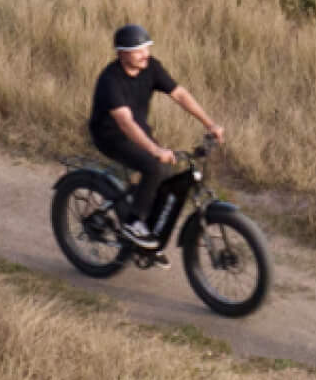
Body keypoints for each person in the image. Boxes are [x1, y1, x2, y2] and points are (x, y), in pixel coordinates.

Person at [87, 24, 225, 248]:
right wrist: (155, 150)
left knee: (166, 173)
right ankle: (133, 224)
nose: (145, 54)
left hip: (139, 131)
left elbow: (179, 94)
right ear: (122, 53)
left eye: (147, 48)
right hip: (110, 136)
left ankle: (149, 230)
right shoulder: (110, 81)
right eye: (138, 50)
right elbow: (125, 123)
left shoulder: (151, 67)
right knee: (155, 167)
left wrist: (210, 123)